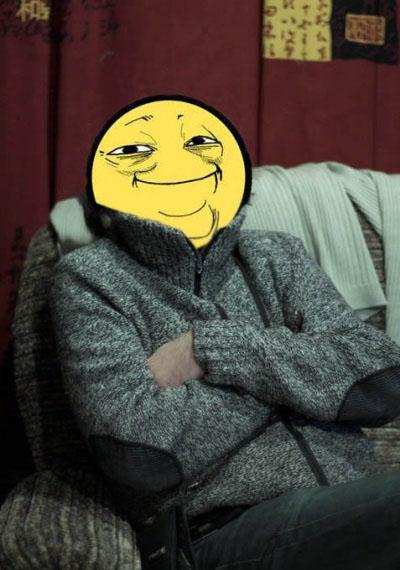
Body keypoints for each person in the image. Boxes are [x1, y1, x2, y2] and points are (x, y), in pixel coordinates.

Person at [49, 94, 400, 570]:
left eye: (198, 143)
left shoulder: (276, 254)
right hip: (224, 528)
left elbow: (381, 382)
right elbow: (140, 454)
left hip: (359, 500)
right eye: (136, 150)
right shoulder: (90, 278)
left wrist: (211, 349)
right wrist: (300, 380)